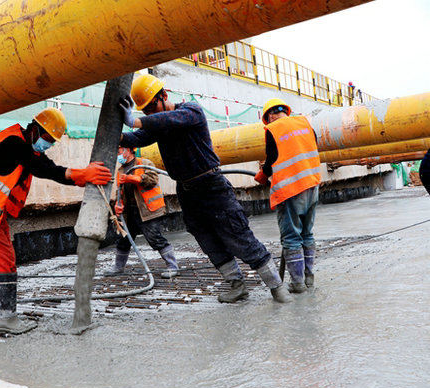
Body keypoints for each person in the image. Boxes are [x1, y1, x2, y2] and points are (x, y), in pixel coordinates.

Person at [118, 74, 292, 304]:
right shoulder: (157, 124)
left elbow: (170, 120)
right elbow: (136, 138)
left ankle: (277, 288)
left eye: (152, 107)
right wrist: (117, 131)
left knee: (237, 234)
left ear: (164, 95)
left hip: (211, 186)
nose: (150, 113)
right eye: (146, 111)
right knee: (206, 238)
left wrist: (135, 121)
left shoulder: (191, 111)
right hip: (187, 191)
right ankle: (236, 285)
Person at [0, 108, 112, 334]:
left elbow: (49, 167)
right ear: (35, 129)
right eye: (47, 138)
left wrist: (79, 177)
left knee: (0, 258)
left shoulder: (24, 142)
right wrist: (80, 174)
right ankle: (4, 318)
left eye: (52, 141)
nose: (48, 144)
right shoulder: (15, 144)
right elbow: (41, 169)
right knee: (2, 260)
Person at [255, 98, 320, 292]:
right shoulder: (304, 123)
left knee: (291, 238)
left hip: (291, 189)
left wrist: (263, 174)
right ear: (285, 111)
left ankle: (297, 284)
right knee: (307, 233)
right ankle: (309, 279)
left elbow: (272, 158)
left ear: (269, 116)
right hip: (312, 185)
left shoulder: (273, 129)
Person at [110, 145, 178, 278]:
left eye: (119, 151)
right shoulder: (121, 170)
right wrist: (118, 205)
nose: (117, 154)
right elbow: (120, 191)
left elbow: (152, 179)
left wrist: (133, 179)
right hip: (129, 212)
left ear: (129, 150)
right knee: (123, 239)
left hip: (147, 210)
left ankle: (172, 267)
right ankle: (118, 268)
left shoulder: (144, 163)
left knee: (155, 238)